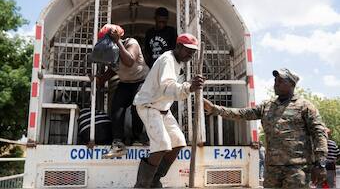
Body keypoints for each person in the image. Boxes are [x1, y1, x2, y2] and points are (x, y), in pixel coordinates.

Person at [203, 68, 328, 188]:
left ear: (291, 84)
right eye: (275, 81)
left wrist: (320, 164)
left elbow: (319, 133)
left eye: (280, 81)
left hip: (297, 169)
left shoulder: (305, 106)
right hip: (272, 170)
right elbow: (241, 113)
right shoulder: (267, 106)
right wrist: (215, 109)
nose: (276, 84)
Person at [133, 33, 205, 188]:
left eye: (193, 53)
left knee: (179, 142)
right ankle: (142, 185)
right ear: (178, 46)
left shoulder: (177, 62)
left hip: (163, 109)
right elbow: (167, 87)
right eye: (188, 51)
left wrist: (188, 87)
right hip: (149, 105)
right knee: (163, 145)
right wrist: (189, 87)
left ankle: (154, 180)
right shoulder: (168, 60)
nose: (190, 56)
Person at [96, 24, 150, 158]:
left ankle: (138, 138)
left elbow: (130, 61)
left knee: (137, 106)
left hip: (142, 81)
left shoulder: (131, 43)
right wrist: (101, 79)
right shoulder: (110, 50)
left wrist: (117, 42)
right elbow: (113, 68)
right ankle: (118, 143)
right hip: (125, 82)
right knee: (116, 108)